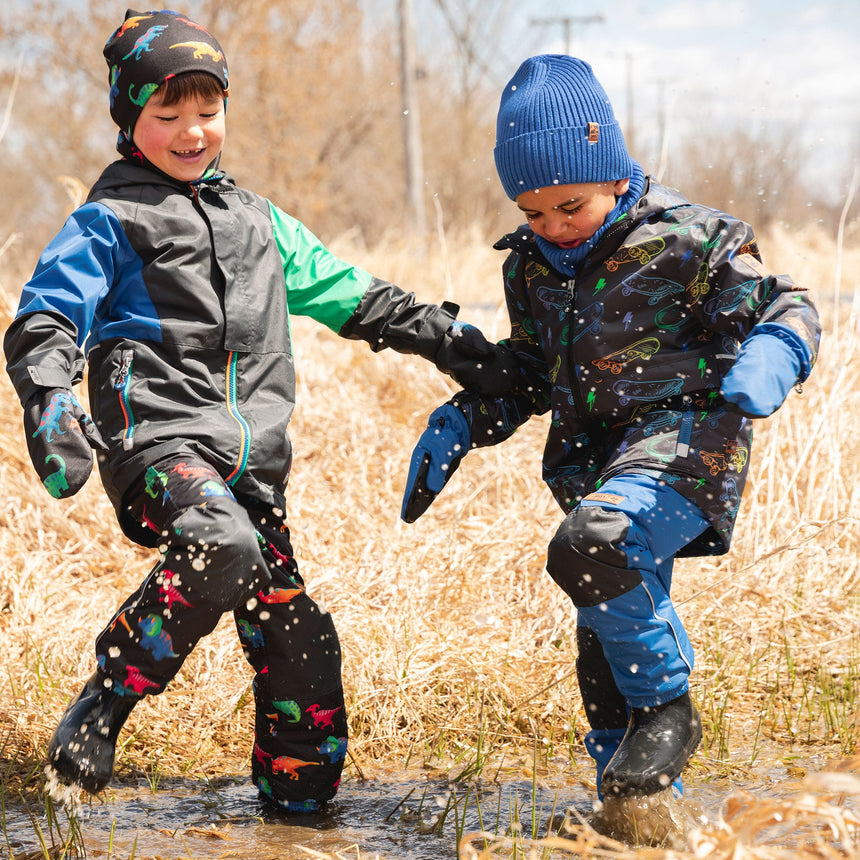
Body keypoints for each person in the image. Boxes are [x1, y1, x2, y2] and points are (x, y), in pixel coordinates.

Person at [3, 9, 519, 812]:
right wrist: (50, 398)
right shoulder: (108, 222)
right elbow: (45, 318)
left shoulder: (257, 221)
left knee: (298, 640)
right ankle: (106, 699)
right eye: (166, 114)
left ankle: (299, 809)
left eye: (207, 111)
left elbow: (349, 293)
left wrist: (447, 341)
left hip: (249, 467)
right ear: (128, 119)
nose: (190, 131)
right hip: (159, 445)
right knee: (219, 539)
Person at [401, 55, 821, 801]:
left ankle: (669, 710)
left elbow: (787, 304)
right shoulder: (529, 266)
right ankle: (638, 815)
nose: (553, 226)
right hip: (596, 469)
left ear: (615, 176)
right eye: (532, 212)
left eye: (571, 205)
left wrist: (776, 350)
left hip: (686, 448)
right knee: (601, 645)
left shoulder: (691, 238)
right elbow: (533, 370)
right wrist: (468, 416)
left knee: (591, 545)